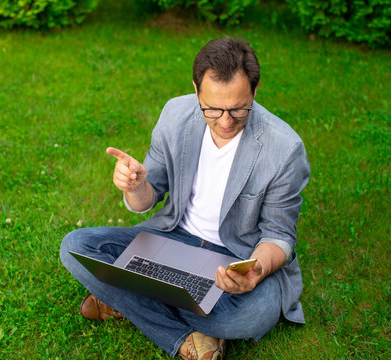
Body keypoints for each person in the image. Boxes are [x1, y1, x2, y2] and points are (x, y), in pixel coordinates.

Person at [60, 37, 310, 360]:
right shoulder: (175, 115)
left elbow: (279, 236)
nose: (224, 121)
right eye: (213, 109)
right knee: (75, 247)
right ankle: (188, 335)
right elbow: (148, 198)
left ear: (254, 92)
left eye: (238, 109)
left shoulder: (285, 149)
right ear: (196, 91)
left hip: (234, 261)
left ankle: (122, 297)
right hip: (172, 241)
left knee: (253, 314)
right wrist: (135, 186)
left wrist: (255, 273)